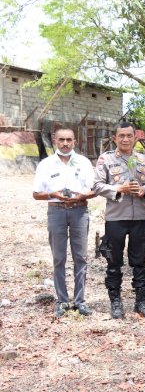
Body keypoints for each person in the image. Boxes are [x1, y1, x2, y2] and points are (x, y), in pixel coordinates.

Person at [93, 122, 145, 319]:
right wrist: (120, 189)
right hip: (116, 217)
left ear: (135, 138)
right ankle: (116, 302)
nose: (126, 139)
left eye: (129, 136)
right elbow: (96, 185)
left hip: (140, 217)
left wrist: (144, 190)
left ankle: (141, 302)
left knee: (140, 261)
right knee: (114, 261)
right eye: (122, 136)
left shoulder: (142, 159)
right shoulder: (106, 159)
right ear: (115, 138)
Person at [32, 128, 96, 317]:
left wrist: (83, 195)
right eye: (61, 140)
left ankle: (80, 301)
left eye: (69, 140)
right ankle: (61, 300)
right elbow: (36, 194)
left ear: (74, 141)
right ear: (55, 140)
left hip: (79, 211)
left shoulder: (83, 162)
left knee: (81, 257)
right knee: (59, 257)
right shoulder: (46, 164)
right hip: (56, 212)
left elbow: (94, 190)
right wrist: (53, 194)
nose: (65, 143)